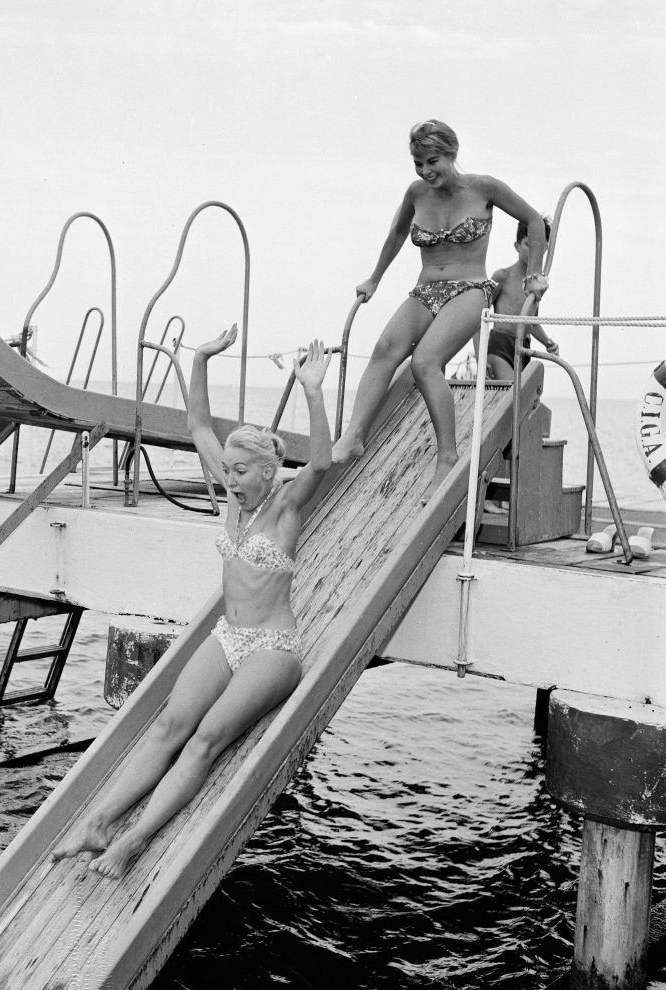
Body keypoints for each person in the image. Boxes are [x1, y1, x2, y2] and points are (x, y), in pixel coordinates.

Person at [52, 328, 333, 879]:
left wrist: (314, 391)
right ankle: (99, 822)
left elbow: (322, 463)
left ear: (268, 472)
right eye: (226, 469)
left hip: (273, 649)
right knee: (168, 726)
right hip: (228, 636)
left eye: (240, 471)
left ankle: (132, 841)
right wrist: (200, 359)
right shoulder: (232, 492)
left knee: (205, 740)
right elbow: (199, 425)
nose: (229, 479)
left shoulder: (285, 507)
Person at [330, 119, 550, 500]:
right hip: (426, 287)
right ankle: (354, 436)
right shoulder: (416, 193)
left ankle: (446, 456)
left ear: (451, 153)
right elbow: (397, 233)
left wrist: (534, 275)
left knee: (424, 362)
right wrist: (374, 279)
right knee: (385, 350)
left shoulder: (485, 187)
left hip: (469, 288)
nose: (426, 171)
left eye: (432, 161)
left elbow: (534, 222)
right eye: (418, 164)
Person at [478, 217, 559, 381]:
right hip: (500, 346)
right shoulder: (503, 276)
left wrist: (548, 342)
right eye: (528, 245)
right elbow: (478, 315)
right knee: (514, 394)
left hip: (523, 347)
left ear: (545, 249)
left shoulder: (535, 285)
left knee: (528, 398)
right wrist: (481, 356)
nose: (533, 251)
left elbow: (531, 322)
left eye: (539, 246)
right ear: (517, 246)